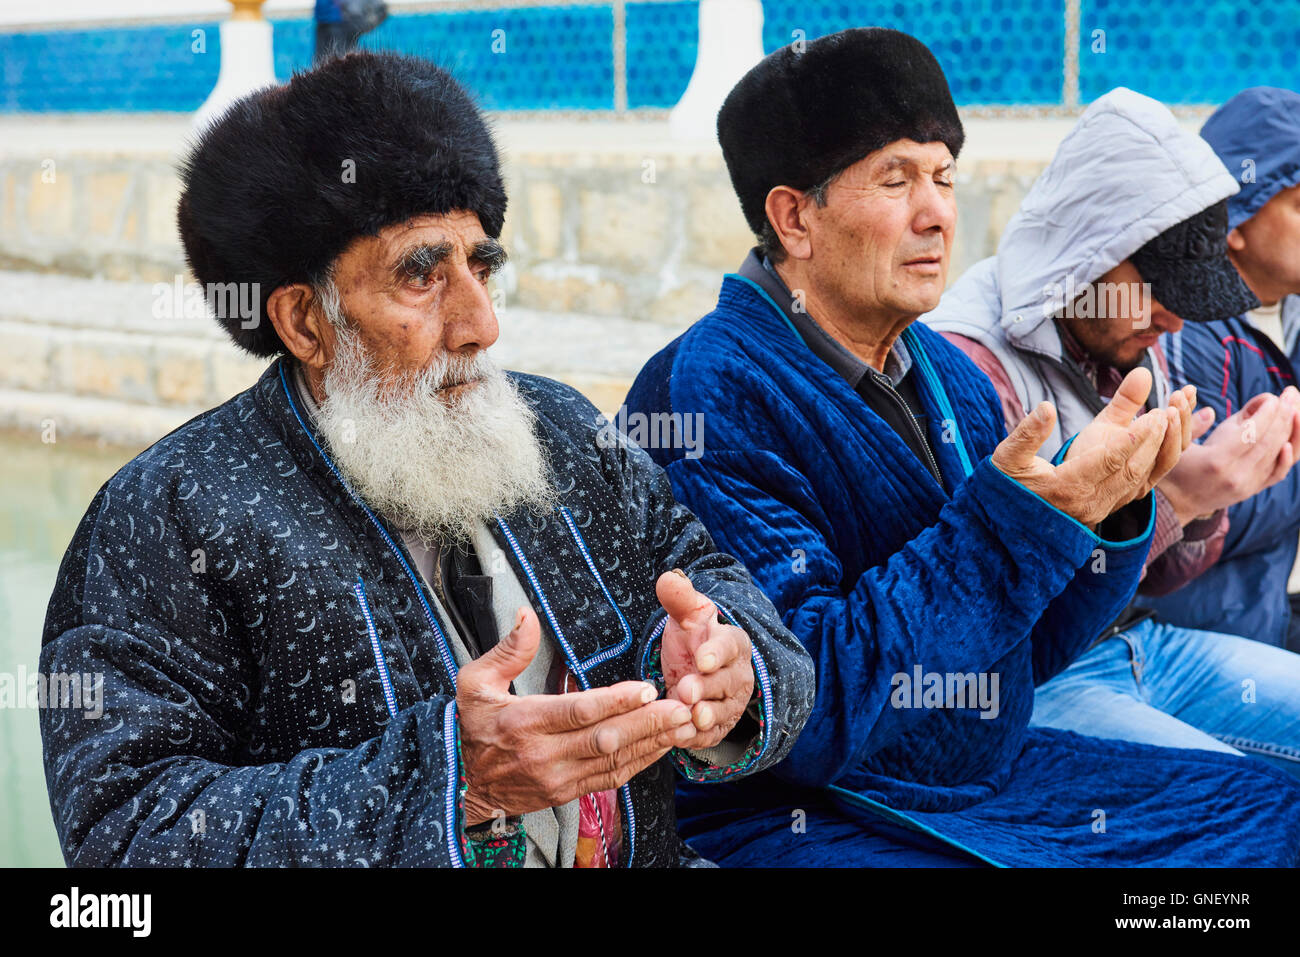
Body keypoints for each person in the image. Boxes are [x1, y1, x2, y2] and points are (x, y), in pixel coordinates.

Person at [38, 52, 815, 868]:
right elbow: (123, 833)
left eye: (481, 266)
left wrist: (729, 665)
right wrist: (455, 780)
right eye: (421, 274)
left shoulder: (564, 429)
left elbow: (712, 580)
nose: (481, 323)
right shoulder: (167, 513)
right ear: (306, 321)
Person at [623, 27, 1300, 866]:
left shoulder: (946, 374)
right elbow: (804, 701)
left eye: (944, 176)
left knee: (1273, 819)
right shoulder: (710, 391)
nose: (938, 211)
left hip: (990, 772)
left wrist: (1113, 508)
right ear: (795, 216)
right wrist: (1016, 522)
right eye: (896, 178)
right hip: (810, 809)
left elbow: (1029, 652)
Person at [924, 88, 1300, 770]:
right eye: (1158, 291)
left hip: (1142, 642)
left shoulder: (1120, 337)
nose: (1174, 322)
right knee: (1247, 805)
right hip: (1040, 679)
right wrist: (1174, 501)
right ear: (1086, 248)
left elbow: (1152, 582)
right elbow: (997, 609)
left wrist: (1208, 494)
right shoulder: (969, 365)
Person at [1140, 87, 1300, 652]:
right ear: (1236, 221)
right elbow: (1202, 503)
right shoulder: (1186, 329)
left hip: (1259, 630)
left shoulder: (1279, 318)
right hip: (1176, 649)